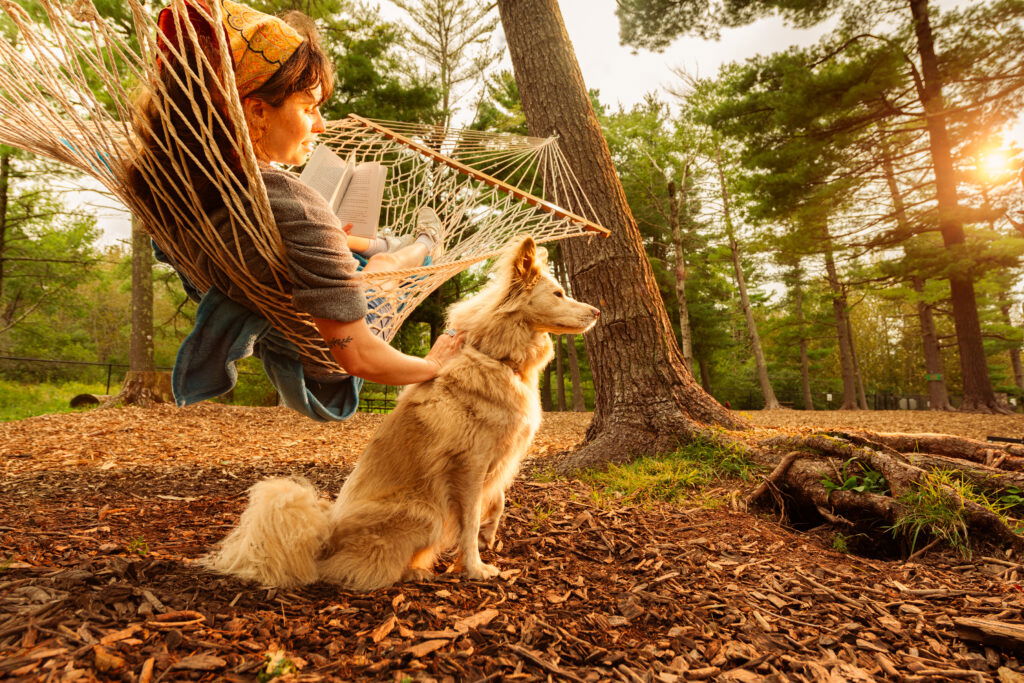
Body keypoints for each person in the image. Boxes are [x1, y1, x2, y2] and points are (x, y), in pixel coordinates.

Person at [129, 0, 461, 396]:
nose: (321, 125)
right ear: (256, 112)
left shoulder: (172, 177)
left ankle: (407, 245)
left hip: (283, 301)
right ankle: (426, 244)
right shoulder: (294, 204)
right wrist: (435, 363)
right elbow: (360, 357)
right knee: (386, 263)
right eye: (309, 107)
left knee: (354, 248)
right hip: (323, 344)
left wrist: (324, 239)